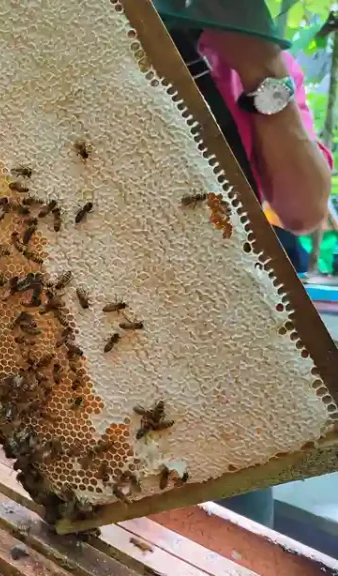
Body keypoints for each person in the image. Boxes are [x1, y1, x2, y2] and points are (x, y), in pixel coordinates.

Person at [160, 19, 333, 525]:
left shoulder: (257, 60)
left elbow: (304, 209)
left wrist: (262, 66)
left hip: (231, 364)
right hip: (108, 338)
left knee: (237, 539)